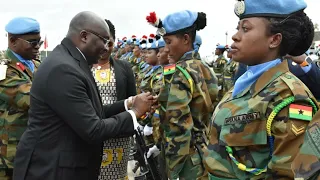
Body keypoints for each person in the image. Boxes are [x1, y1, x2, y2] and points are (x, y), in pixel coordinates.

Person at [13, 11, 154, 180]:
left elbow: (92, 111)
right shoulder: (64, 69)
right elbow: (93, 129)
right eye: (103, 40)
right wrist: (135, 113)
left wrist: (128, 103)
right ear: (84, 36)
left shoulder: (72, 62)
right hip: (52, 170)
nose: (105, 47)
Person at [203, 0, 319, 179]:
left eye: (246, 29)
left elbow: (289, 174)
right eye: (238, 28)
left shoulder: (290, 98)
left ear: (274, 40)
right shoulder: (245, 85)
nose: (235, 36)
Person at [146, 10, 218, 179]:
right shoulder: (205, 68)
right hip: (203, 152)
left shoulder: (180, 72)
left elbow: (178, 124)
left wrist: (175, 168)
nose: (166, 48)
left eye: (169, 42)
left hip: (185, 159)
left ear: (186, 39)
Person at [91, 19, 136, 180]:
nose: (104, 48)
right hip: (91, 132)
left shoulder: (124, 68)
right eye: (100, 42)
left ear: (114, 42)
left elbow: (133, 101)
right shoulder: (81, 67)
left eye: (108, 43)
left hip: (119, 136)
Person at [0, 17, 42, 180]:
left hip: (34, 150)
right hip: (9, 155)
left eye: (38, 41)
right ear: (13, 41)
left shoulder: (37, 65)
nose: (37, 46)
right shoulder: (4, 69)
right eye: (32, 42)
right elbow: (32, 99)